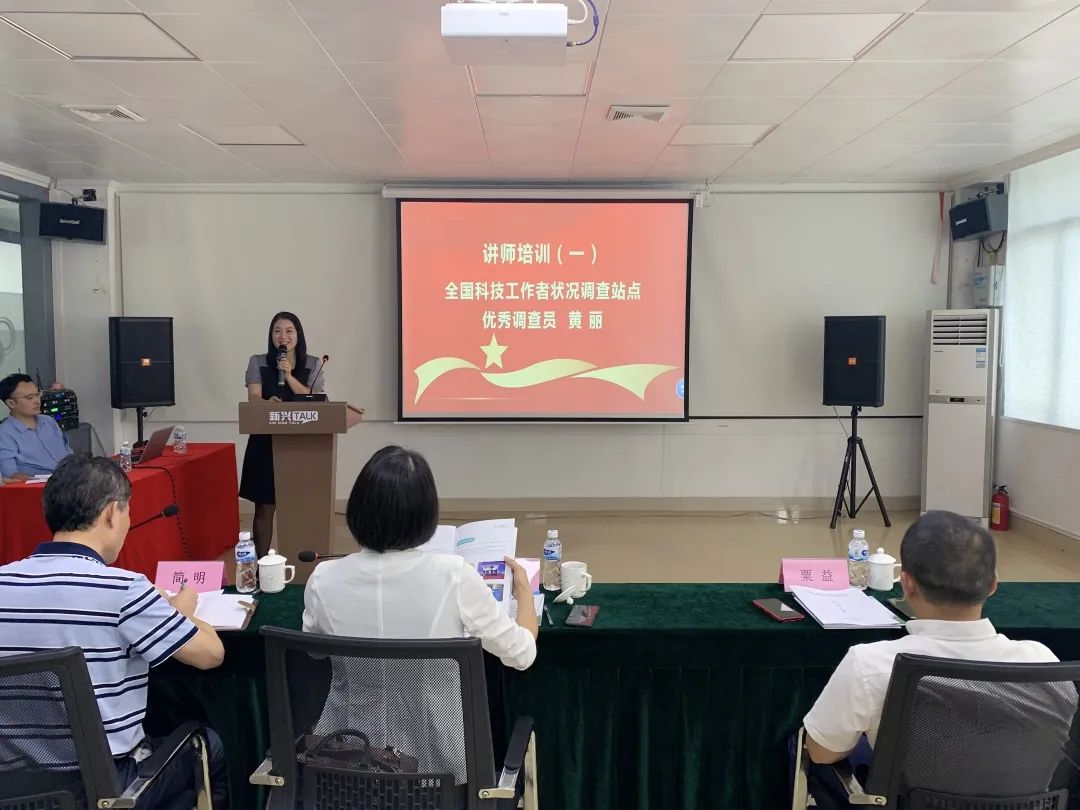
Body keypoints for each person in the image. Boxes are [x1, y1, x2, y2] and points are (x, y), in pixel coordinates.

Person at [798, 510, 1069, 808]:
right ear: (992, 585)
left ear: (907, 584)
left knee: (800, 746)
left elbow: (822, 753)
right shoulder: (1044, 662)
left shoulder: (871, 664)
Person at [0, 455, 227, 808]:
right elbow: (211, 654)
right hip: (105, 786)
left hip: (13, 789)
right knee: (210, 745)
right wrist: (175, 610)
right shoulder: (123, 589)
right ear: (111, 513)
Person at [303, 446, 538, 782]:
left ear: (357, 509)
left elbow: (313, 650)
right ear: (426, 514)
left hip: (347, 766)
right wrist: (525, 595)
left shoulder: (324, 578)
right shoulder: (454, 575)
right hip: (438, 770)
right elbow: (522, 654)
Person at [239, 311, 325, 556]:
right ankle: (260, 567)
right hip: (265, 443)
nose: (283, 336)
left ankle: (300, 565)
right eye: (277, 331)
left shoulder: (313, 364)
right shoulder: (258, 361)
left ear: (298, 335)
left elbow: (315, 398)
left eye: (289, 331)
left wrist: (288, 375)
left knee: (300, 508)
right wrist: (268, 404)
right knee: (264, 508)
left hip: (301, 445)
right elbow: (254, 398)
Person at [0, 373, 73, 479]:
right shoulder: (5, 434)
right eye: (29, 397)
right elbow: (10, 474)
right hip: (41, 485)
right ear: (11, 403)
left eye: (38, 395)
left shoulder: (49, 421)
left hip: (71, 480)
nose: (37, 401)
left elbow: (69, 452)